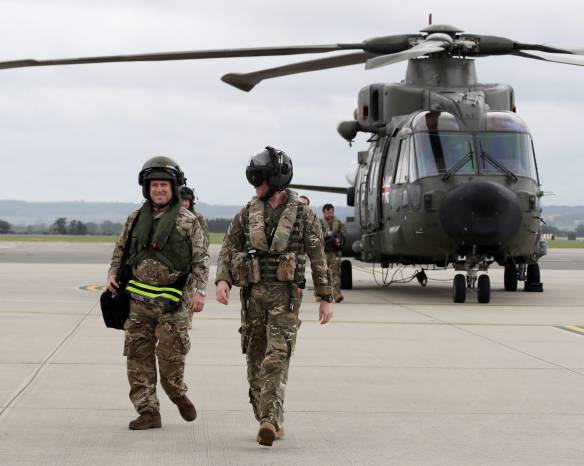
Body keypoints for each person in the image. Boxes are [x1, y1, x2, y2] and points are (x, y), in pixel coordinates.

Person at [215, 146, 333, 447]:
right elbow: (228, 248)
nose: (256, 188)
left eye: (260, 182)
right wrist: (223, 280)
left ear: (276, 180)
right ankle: (270, 417)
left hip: (286, 298)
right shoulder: (246, 213)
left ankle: (268, 420)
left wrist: (325, 296)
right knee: (254, 361)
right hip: (253, 298)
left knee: (275, 358)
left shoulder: (304, 216)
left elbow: (318, 256)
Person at [106, 156, 209, 430]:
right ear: (146, 188)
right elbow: (121, 250)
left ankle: (177, 393)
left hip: (172, 305)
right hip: (138, 303)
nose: (159, 190)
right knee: (138, 360)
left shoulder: (188, 221)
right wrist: (112, 274)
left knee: (170, 361)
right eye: (154, 185)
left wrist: (199, 292)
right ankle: (148, 411)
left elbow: (201, 259)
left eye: (164, 185)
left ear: (174, 188)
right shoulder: (135, 218)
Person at [321, 203, 347, 303]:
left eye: (331, 212)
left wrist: (338, 238)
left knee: (335, 275)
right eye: (327, 212)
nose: (329, 214)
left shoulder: (339, 223)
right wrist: (326, 235)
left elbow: (344, 236)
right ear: (324, 213)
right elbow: (315, 235)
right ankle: (321, 294)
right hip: (323, 252)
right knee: (322, 274)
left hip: (334, 252)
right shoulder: (319, 223)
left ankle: (336, 295)